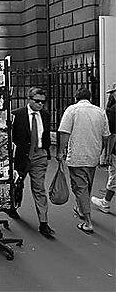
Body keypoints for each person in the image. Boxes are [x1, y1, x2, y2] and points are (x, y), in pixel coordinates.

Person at [57, 87, 110, 234]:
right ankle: (81, 208)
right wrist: (101, 151)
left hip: (77, 156)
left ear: (76, 97)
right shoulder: (100, 112)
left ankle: (87, 221)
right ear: (90, 97)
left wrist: (60, 151)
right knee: (87, 185)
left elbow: (65, 133)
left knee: (80, 188)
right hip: (93, 155)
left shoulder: (72, 110)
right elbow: (106, 136)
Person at [9, 87, 54, 237]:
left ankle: (43, 222)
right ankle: (13, 206)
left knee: (39, 188)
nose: (41, 104)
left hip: (39, 155)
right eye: (37, 101)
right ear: (29, 100)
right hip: (22, 156)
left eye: (43, 102)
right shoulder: (17, 115)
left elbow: (46, 135)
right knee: (17, 183)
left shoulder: (45, 115)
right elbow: (11, 137)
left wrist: (46, 151)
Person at [91, 84, 116, 213]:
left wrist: (108, 153)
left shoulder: (113, 110)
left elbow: (112, 134)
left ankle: (105, 202)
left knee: (114, 175)